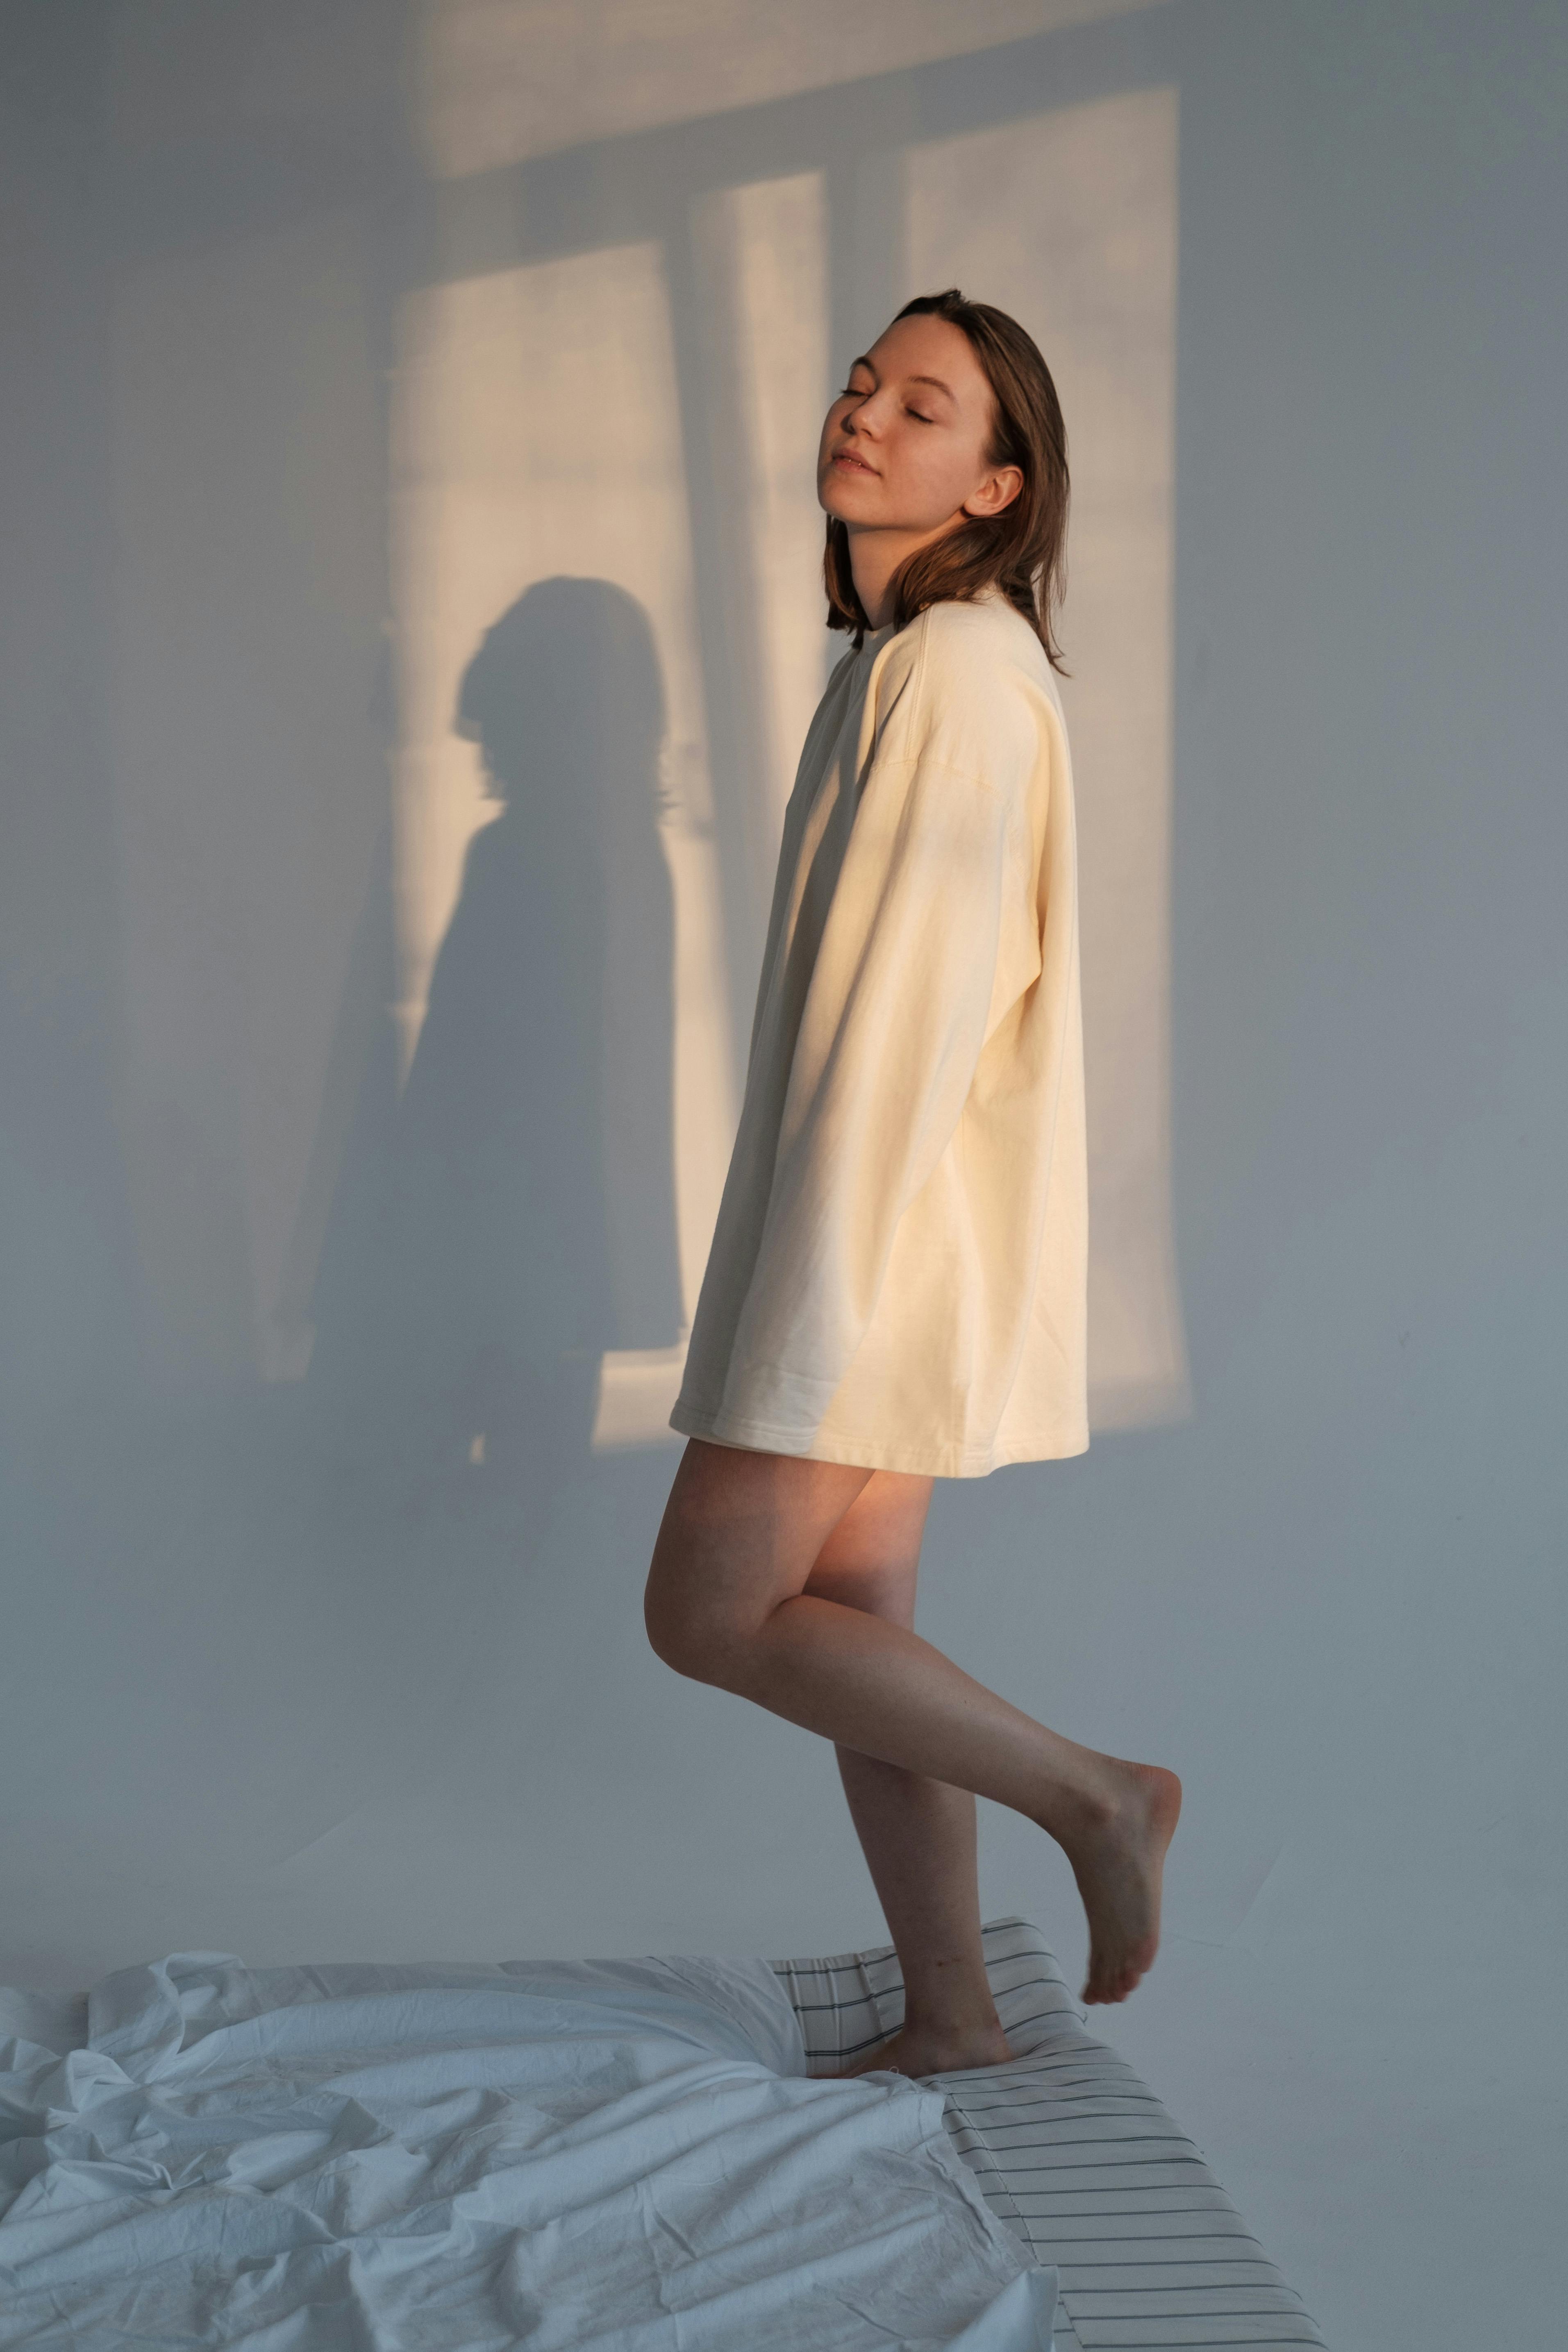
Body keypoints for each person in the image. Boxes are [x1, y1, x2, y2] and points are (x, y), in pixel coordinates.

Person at [644, 288, 1181, 2078]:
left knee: (709, 1613)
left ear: (1000, 481)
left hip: (870, 1253)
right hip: (893, 1245)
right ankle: (954, 2011)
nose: (865, 413)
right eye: (866, 382)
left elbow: (908, 1025)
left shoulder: (951, 671)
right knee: (857, 1629)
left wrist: (809, 1299)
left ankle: (1096, 1795)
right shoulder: (909, 661)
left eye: (925, 405)